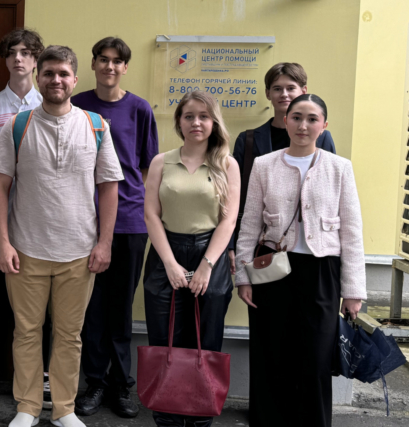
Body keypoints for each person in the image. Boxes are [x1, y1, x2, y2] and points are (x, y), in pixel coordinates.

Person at [0, 45, 123, 427]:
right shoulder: (18, 125)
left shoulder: (96, 126)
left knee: (69, 335)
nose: (56, 80)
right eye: (48, 73)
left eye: (63, 73)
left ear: (75, 79)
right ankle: (27, 407)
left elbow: (109, 187)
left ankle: (64, 408)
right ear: (39, 77)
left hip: (79, 252)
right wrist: (3, 242)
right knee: (26, 332)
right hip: (26, 250)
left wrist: (104, 243)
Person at [235, 94, 365, 427]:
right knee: (271, 354)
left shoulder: (339, 167)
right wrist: (243, 277)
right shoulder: (265, 164)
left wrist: (353, 290)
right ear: (286, 120)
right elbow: (250, 222)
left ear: (324, 125)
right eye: (296, 117)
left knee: (316, 357)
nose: (303, 125)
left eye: (311, 119)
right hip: (273, 269)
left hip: (322, 271)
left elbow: (352, 231)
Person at [71, 37, 158, 419]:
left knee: (120, 308)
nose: (109, 66)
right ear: (93, 64)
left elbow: (147, 167)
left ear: (125, 67)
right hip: (83, 220)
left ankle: (122, 385)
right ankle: (95, 383)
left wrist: (137, 206)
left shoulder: (139, 109)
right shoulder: (77, 105)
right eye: (103, 59)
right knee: (91, 308)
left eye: (117, 61)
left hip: (129, 222)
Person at [142, 91, 239, 427]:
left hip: (209, 255)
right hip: (165, 253)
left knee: (205, 343)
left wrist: (206, 266)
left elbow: (228, 220)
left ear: (214, 122)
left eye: (203, 116)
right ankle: (167, 417)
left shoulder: (227, 164)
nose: (196, 122)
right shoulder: (161, 162)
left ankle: (199, 418)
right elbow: (151, 215)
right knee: (165, 341)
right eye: (189, 116)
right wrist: (170, 263)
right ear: (179, 122)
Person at [0, 28, 45, 404]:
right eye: (12, 52)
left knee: (38, 302)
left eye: (26, 52)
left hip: (39, 221)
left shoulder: (49, 106)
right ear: (4, 59)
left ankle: (37, 374)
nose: (19, 58)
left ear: (36, 59)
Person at [226, 63, 335, 273]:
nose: (284, 94)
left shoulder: (322, 138)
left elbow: (330, 195)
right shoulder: (248, 140)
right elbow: (233, 196)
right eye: (277, 88)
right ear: (268, 93)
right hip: (262, 242)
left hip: (312, 247)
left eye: (290, 88)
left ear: (303, 91)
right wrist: (231, 243)